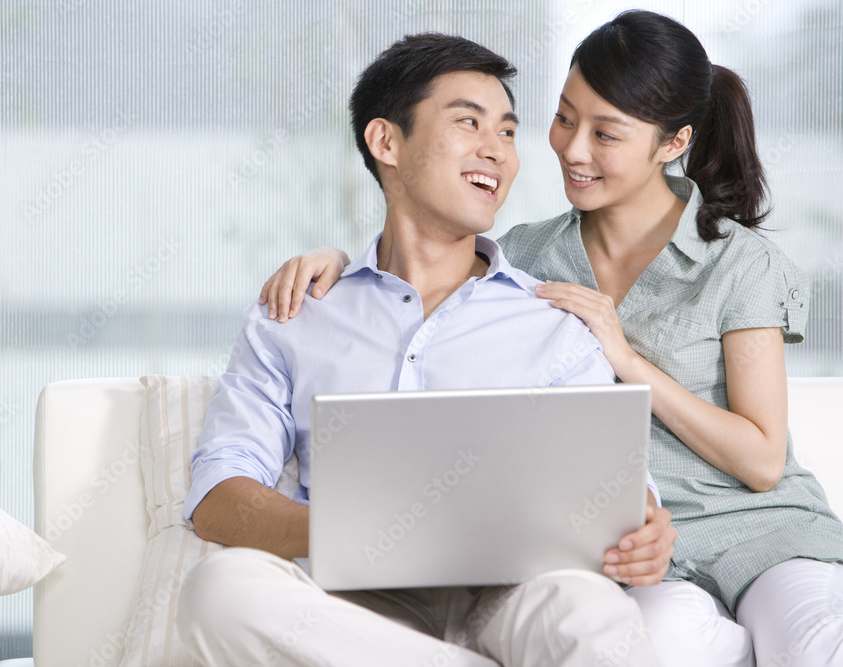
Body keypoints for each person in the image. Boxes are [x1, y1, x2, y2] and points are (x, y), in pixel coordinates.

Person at [258, 11, 843, 667]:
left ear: (672, 143)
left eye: (606, 134)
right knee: (655, 642)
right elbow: (431, 263)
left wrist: (627, 360)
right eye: (565, 117)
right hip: (637, 553)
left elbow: (763, 460)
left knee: (816, 643)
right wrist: (340, 262)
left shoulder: (739, 262)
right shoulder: (530, 255)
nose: (573, 148)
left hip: (762, 533)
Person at [178, 33, 675, 667]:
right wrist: (364, 532)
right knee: (218, 593)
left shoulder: (554, 320)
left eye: (507, 131)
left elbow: (623, 489)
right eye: (469, 122)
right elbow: (221, 492)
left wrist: (646, 527)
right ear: (386, 142)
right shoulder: (295, 314)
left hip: (516, 599)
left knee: (594, 613)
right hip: (349, 611)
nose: (496, 151)